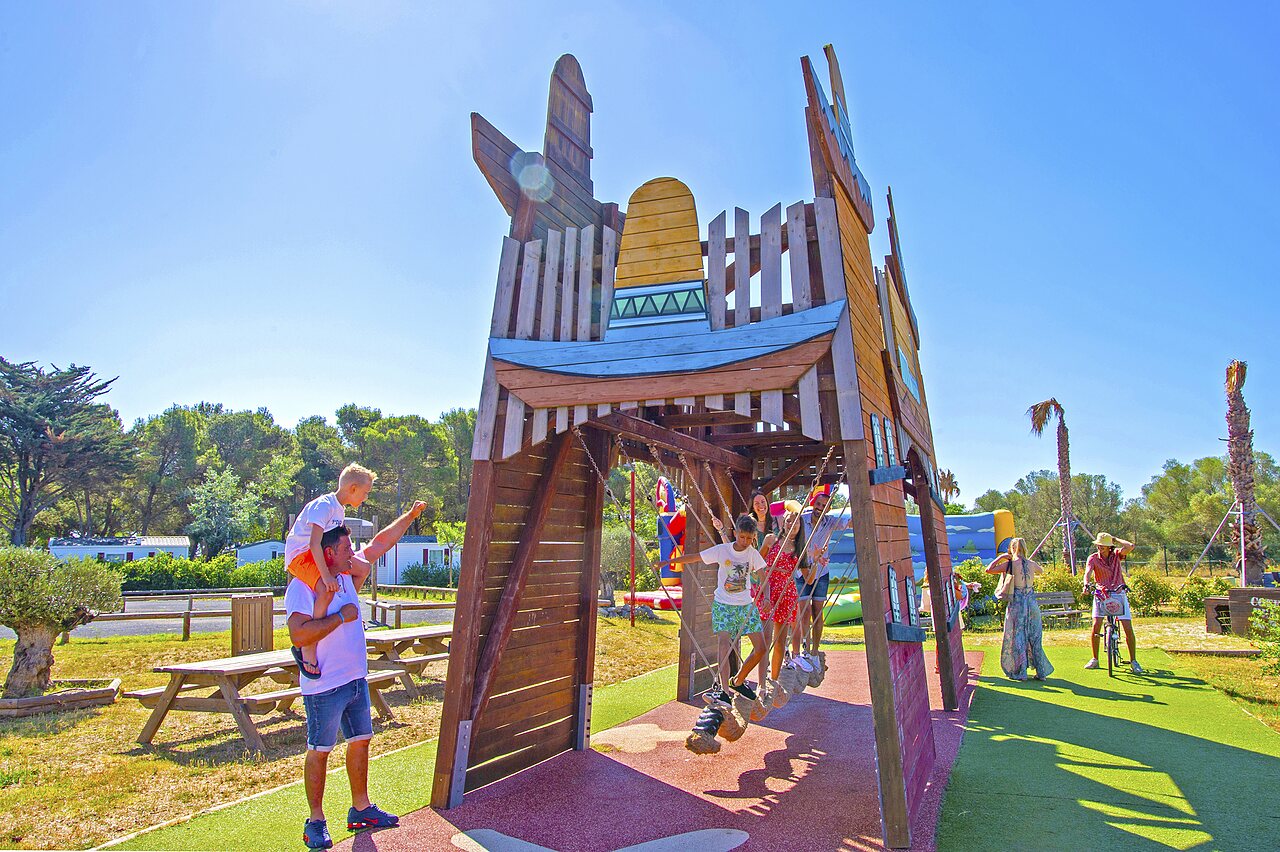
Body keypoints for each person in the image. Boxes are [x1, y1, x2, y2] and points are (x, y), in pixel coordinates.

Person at [286, 502, 426, 850]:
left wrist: (408, 517)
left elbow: (379, 544)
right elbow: (298, 636)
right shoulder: (303, 586)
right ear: (328, 552)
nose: (354, 553)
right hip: (324, 686)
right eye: (348, 548)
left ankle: (360, 808)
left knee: (360, 740)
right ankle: (315, 821)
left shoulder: (347, 575)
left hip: (354, 680)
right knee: (320, 749)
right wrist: (340, 618)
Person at [659, 515, 768, 704]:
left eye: (750, 539)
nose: (745, 542)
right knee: (723, 643)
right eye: (742, 537)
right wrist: (668, 563)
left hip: (745, 606)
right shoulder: (722, 550)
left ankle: (739, 681)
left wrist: (766, 596)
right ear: (735, 534)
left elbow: (763, 576)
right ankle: (724, 691)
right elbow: (695, 558)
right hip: (723, 604)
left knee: (761, 649)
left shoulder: (752, 554)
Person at [285, 464, 377, 678]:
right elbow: (314, 543)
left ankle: (343, 605)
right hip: (300, 554)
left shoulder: (339, 510)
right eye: (365, 493)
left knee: (361, 569)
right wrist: (326, 576)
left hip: (315, 553)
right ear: (353, 488)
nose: (365, 498)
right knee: (325, 589)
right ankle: (307, 649)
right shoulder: (324, 506)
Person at [794, 484, 850, 666]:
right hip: (802, 570)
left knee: (818, 612)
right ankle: (805, 648)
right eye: (818, 504)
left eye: (824, 506)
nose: (820, 508)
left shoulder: (830, 521)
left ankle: (815, 651)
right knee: (804, 611)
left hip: (821, 572)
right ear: (813, 503)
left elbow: (849, 522)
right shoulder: (802, 519)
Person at [986, 537, 1053, 681]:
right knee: (1035, 637)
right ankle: (1041, 672)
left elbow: (988, 570)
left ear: (1012, 548)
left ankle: (1021, 672)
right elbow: (1041, 571)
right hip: (1031, 603)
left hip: (1017, 603)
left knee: (1017, 636)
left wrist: (1002, 557)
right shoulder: (1031, 564)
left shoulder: (1009, 564)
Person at [755, 503, 804, 689]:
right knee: (765, 638)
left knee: (781, 640)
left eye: (797, 523)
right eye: (789, 521)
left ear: (800, 527)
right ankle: (761, 683)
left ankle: (774, 681)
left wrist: (816, 560)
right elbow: (757, 562)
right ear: (783, 523)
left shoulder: (799, 547)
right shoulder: (771, 540)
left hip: (787, 591)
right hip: (769, 588)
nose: (793, 525)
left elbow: (809, 577)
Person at [1082, 531, 1143, 674]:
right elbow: (1088, 572)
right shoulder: (1093, 558)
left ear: (1109, 546)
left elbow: (1130, 546)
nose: (1100, 548)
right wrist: (1086, 584)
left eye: (1103, 546)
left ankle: (1133, 661)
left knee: (1127, 627)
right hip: (1101, 594)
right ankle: (1095, 659)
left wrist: (1115, 539)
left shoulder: (1117, 555)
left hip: (1118, 592)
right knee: (1096, 625)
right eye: (1099, 545)